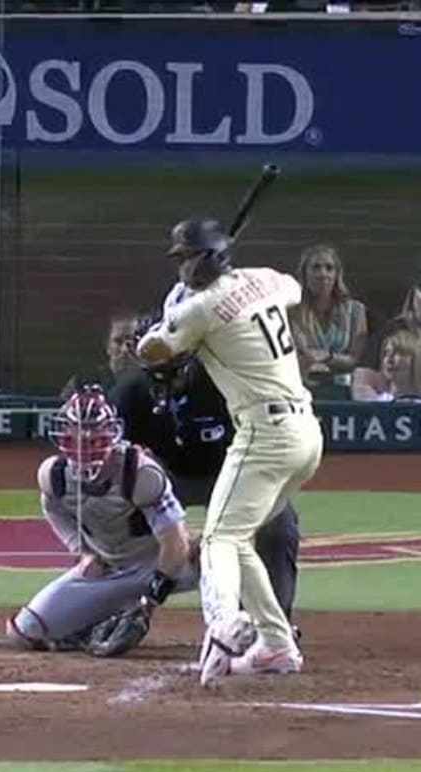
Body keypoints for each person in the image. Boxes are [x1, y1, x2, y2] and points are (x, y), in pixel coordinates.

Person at [137, 217, 322, 686]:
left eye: (186, 259)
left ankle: (222, 625)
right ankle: (276, 645)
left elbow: (152, 352)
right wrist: (191, 305)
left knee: (219, 539)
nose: (180, 268)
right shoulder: (264, 278)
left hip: (265, 432)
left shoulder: (198, 310)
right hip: (306, 434)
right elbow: (293, 288)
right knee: (238, 539)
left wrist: (173, 314)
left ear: (207, 258)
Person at [3, 383, 194, 656]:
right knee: (24, 631)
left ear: (111, 435)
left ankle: (245, 632)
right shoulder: (53, 476)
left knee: (222, 562)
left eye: (94, 436)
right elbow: (53, 510)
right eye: (77, 435)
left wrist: (148, 604)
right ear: (64, 436)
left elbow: (175, 545)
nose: (85, 442)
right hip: (110, 569)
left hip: (164, 565)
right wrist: (84, 550)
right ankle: (98, 622)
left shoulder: (139, 474)